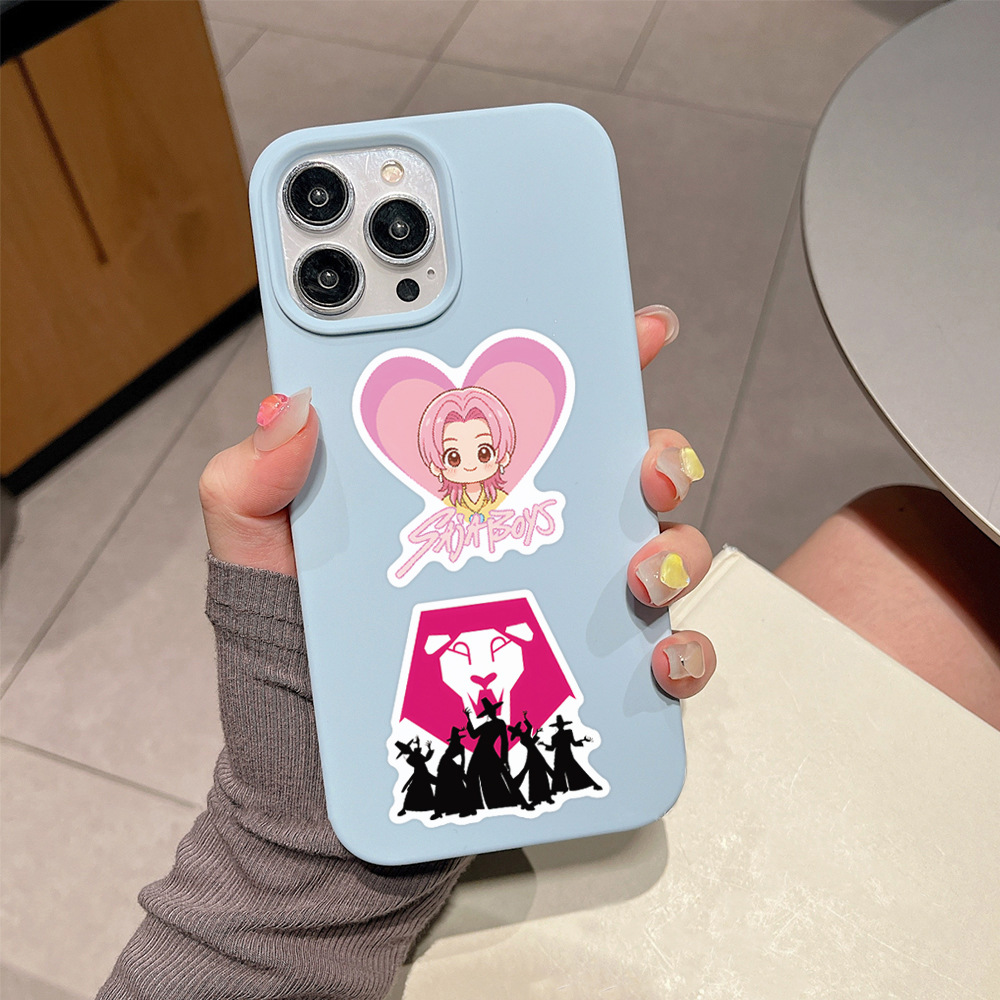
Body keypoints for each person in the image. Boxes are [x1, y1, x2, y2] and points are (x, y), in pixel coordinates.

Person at [97, 305, 718, 998]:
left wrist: (294, 866)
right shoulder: (434, 553)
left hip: (506, 626)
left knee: (548, 712)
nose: (471, 465)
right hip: (441, 641)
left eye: (485, 451)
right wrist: (307, 847)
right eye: (452, 457)